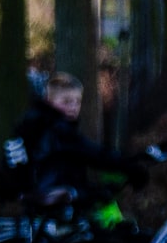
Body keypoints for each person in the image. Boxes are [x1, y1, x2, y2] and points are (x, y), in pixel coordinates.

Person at [12, 72, 143, 210]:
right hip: (57, 197)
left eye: (77, 101)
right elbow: (93, 153)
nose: (73, 107)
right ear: (49, 100)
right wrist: (131, 166)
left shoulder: (39, 123)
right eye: (66, 101)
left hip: (48, 195)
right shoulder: (57, 129)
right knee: (107, 214)